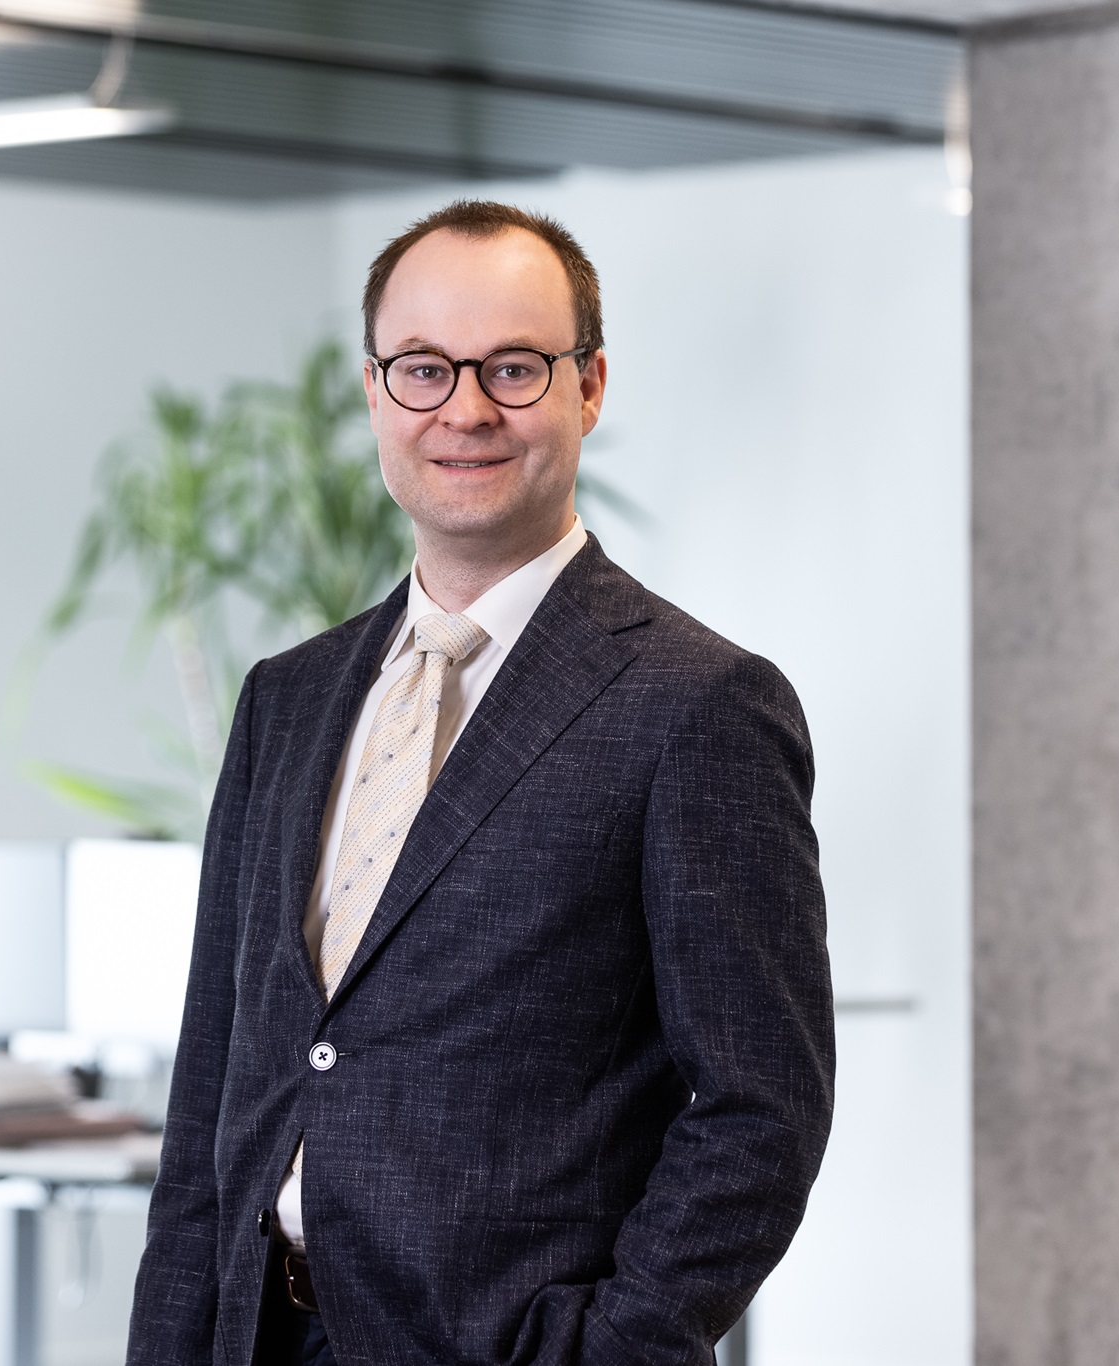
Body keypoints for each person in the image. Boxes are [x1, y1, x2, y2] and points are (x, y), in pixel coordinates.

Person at [126, 200, 834, 1366]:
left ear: (587, 386)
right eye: (422, 369)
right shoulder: (286, 700)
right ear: (374, 392)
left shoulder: (697, 704)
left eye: (512, 367)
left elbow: (762, 1107)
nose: (464, 409)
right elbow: (212, 1082)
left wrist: (613, 1345)